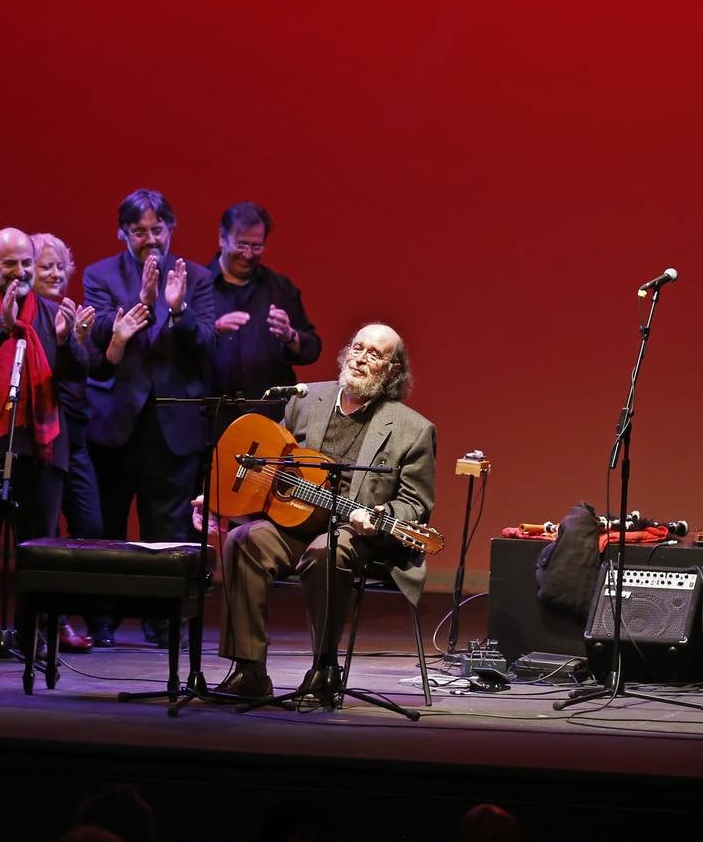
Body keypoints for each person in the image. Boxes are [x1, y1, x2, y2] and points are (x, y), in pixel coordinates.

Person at [208, 323, 436, 706]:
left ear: (393, 370)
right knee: (243, 540)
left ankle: (324, 668)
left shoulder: (413, 430)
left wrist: (381, 515)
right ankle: (249, 670)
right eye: (357, 348)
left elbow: (416, 504)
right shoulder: (304, 399)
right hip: (296, 521)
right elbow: (268, 461)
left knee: (325, 551)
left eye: (375, 354)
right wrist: (233, 496)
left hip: (357, 533)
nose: (361, 359)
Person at [80, 189, 217, 646]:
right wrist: (141, 301)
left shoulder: (196, 277)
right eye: (139, 231)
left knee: (167, 529)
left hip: (172, 426)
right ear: (123, 233)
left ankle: (163, 621)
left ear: (171, 229)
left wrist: (177, 309)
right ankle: (103, 619)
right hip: (116, 420)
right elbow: (98, 334)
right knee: (109, 528)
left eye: (157, 229)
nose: (149, 239)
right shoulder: (100, 274)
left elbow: (209, 346)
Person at [0, 228, 92, 651]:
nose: (21, 271)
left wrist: (67, 342)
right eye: (10, 263)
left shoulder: (50, 313)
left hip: (41, 450)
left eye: (27, 262)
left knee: (38, 551)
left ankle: (35, 637)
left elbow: (76, 375)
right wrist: (1, 328)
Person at [32, 232, 101, 652]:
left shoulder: (69, 312)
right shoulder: (26, 314)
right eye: (46, 266)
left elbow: (82, 371)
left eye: (61, 266)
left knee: (89, 526)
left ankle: (61, 618)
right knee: (42, 533)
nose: (56, 273)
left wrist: (77, 338)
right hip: (40, 435)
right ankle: (47, 628)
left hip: (74, 435)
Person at [205, 201, 320, 412]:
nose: (248, 255)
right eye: (241, 245)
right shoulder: (198, 286)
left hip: (270, 418)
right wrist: (212, 331)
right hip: (210, 417)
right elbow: (178, 351)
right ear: (222, 238)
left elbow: (312, 349)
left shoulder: (280, 287)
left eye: (256, 246)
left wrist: (289, 335)